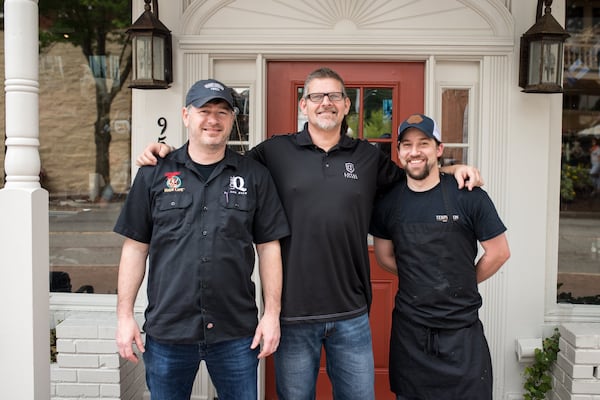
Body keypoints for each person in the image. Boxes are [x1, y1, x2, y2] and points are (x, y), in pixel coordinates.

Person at [137, 67, 483, 400]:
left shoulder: (366, 157)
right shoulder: (273, 152)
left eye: (334, 96)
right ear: (303, 105)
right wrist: (169, 155)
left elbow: (415, 176)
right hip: (292, 314)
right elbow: (219, 160)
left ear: (347, 105)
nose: (325, 103)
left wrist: (453, 167)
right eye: (316, 96)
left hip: (351, 313)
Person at [114, 79, 290, 400]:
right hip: (169, 330)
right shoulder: (154, 173)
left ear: (232, 120)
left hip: (235, 331)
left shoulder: (254, 176)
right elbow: (135, 248)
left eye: (223, 112)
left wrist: (271, 314)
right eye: (204, 110)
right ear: (185, 115)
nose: (213, 119)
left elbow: (269, 248)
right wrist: (124, 317)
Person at [369, 113, 510, 400]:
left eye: (423, 143)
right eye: (406, 145)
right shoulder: (389, 202)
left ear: (439, 149)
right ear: (398, 152)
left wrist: (462, 281)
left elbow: (498, 253)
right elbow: (385, 257)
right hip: (411, 335)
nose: (415, 151)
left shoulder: (469, 196)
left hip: (462, 334)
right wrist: (420, 277)